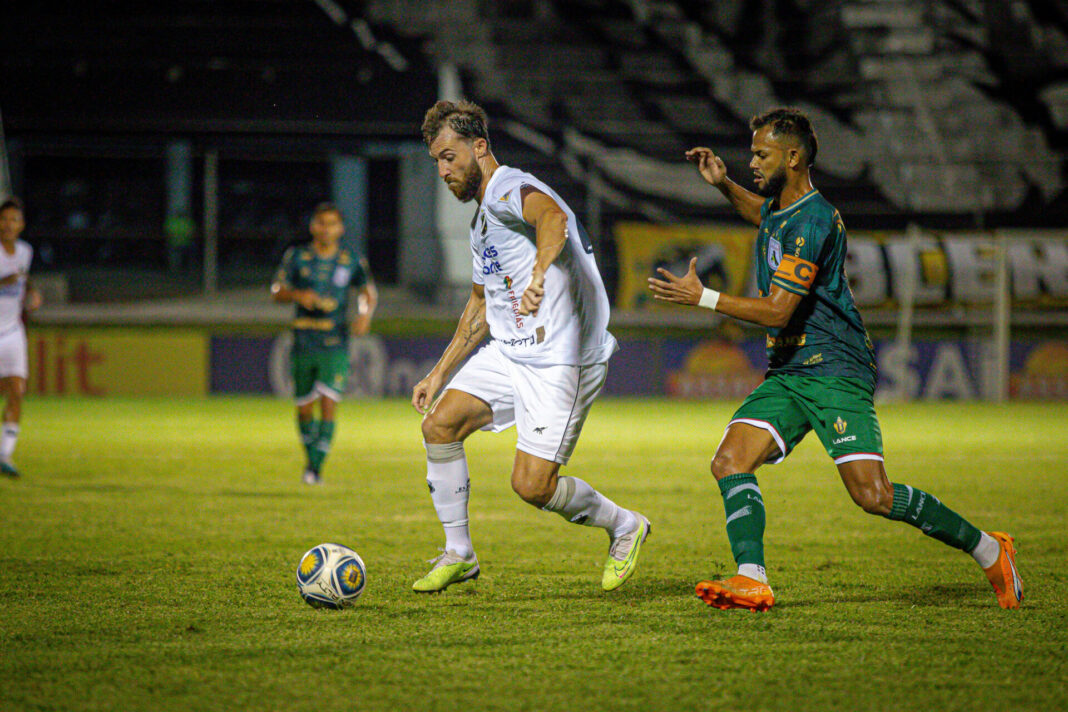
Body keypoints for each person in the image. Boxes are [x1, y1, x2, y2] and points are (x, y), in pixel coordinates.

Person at [648, 108, 1022, 611]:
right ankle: (751, 578)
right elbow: (762, 214)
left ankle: (987, 548)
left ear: (794, 156)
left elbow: (779, 312)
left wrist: (705, 298)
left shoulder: (816, 219)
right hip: (789, 373)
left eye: (762, 154)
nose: (752, 161)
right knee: (730, 461)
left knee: (873, 495)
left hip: (834, 368)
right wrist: (724, 185)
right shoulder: (782, 209)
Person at [410, 99, 650, 593]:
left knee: (532, 486)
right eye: (437, 160)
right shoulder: (481, 222)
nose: (443, 170)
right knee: (439, 424)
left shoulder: (509, 189)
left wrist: (540, 272)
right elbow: (479, 306)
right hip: (512, 352)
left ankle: (625, 525)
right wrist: (440, 373)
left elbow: (552, 219)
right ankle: (460, 553)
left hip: (562, 359)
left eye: (450, 156)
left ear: (479, 147)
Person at [271, 203, 377, 485]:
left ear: (340, 228)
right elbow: (276, 290)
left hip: (335, 341)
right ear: (313, 226)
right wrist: (298, 295)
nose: (326, 229)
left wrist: (365, 315)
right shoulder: (298, 257)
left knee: (329, 403)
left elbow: (368, 291)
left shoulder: (350, 260)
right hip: (304, 340)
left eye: (332, 224)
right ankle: (311, 461)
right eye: (321, 223)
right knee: (305, 408)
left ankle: (314, 469)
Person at [0, 197, 43, 478]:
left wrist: (32, 292)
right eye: (4, 219)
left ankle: (5, 454)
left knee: (17, 392)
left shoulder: (25, 251)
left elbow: (25, 279)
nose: (9, 224)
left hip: (13, 331)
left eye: (14, 219)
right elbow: (11, 279)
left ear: (22, 224)